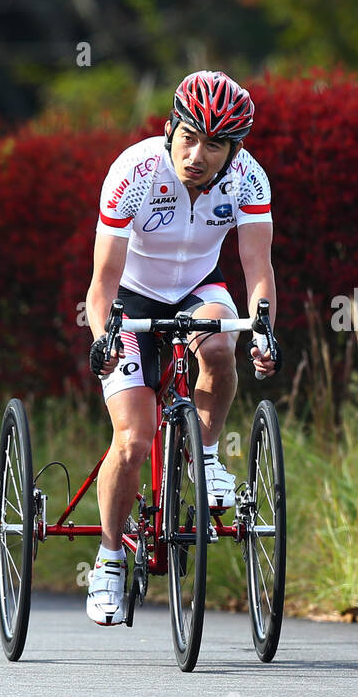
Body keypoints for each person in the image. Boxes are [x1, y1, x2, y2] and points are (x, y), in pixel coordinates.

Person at [83, 70, 279, 626]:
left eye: (214, 144)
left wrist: (264, 330)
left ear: (233, 150)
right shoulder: (133, 172)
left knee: (222, 342)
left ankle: (207, 454)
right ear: (170, 129)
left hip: (198, 291)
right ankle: (109, 559)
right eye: (188, 137)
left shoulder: (248, 180)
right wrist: (104, 339)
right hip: (131, 298)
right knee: (133, 436)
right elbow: (101, 284)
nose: (197, 154)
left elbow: (258, 270)